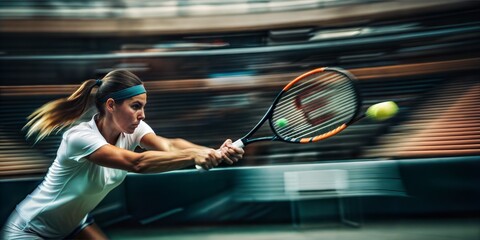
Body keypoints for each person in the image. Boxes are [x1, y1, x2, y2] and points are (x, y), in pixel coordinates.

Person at [1, 69, 244, 239]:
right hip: (29, 231)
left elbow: (169, 146)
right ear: (111, 105)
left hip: (73, 224)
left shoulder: (135, 129)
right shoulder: (79, 138)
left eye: (143, 107)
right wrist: (193, 157)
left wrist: (213, 151)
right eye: (135, 106)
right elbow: (136, 163)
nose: (142, 115)